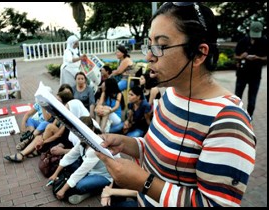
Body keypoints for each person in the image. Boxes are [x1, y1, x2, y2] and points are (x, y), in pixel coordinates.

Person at [96, 2, 256, 207]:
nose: (149, 56)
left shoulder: (229, 123)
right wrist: (126, 144)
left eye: (161, 46)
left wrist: (143, 183)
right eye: (150, 44)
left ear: (199, 53)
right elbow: (158, 150)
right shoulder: (170, 95)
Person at [48, 116, 117, 205]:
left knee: (80, 185)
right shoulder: (83, 141)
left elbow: (81, 171)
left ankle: (94, 192)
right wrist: (55, 174)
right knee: (70, 165)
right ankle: (86, 187)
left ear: (92, 129)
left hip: (105, 176)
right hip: (90, 170)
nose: (80, 135)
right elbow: (70, 156)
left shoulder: (96, 146)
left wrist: (63, 190)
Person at [4, 90, 73, 163]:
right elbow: (54, 124)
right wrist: (42, 138)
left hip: (64, 140)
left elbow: (59, 134)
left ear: (64, 103)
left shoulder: (68, 113)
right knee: (39, 136)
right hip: (53, 133)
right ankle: (22, 154)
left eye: (58, 100)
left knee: (48, 127)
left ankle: (35, 148)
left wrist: (43, 141)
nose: (56, 102)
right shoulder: (59, 110)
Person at [234, 20, 267, 118]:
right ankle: (235, 115)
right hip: (242, 74)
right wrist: (241, 57)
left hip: (256, 75)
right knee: (237, 97)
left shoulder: (264, 41)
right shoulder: (243, 41)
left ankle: (249, 117)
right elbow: (235, 56)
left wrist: (258, 58)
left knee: (252, 99)